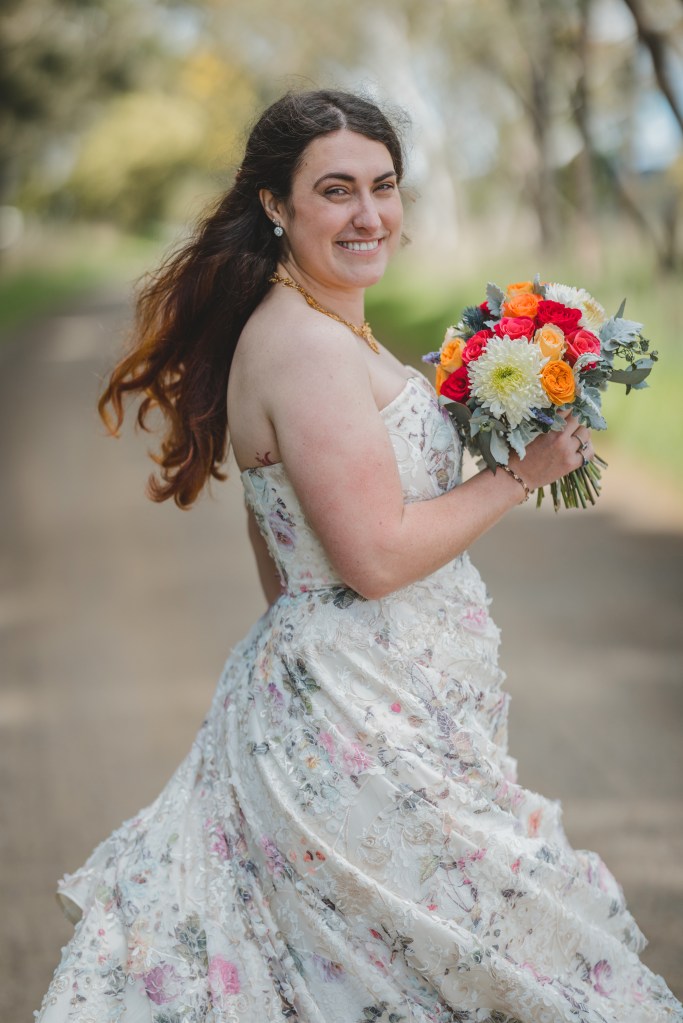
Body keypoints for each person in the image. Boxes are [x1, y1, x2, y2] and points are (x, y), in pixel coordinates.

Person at [35, 90, 681, 1023]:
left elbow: (276, 544)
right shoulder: (301, 346)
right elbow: (373, 559)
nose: (368, 214)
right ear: (276, 205)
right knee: (441, 960)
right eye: (335, 190)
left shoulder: (322, 326)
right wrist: (520, 474)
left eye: (383, 186)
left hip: (366, 699)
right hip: (355, 721)